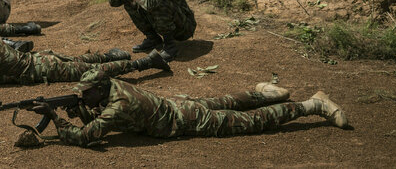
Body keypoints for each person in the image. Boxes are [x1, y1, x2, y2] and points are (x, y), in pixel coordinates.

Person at [25, 69, 349, 148]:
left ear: (98, 89)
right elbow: (95, 110)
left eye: (87, 93)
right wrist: (80, 105)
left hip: (185, 119)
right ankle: (261, 90)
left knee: (248, 123)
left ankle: (312, 104)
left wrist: (55, 117)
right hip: (176, 104)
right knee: (226, 100)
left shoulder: (118, 105)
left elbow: (87, 136)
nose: (85, 98)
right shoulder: (113, 86)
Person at [0, 33, 170, 91]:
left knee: (92, 72)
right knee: (79, 60)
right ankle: (111, 54)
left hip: (43, 68)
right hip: (40, 59)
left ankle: (146, 63)